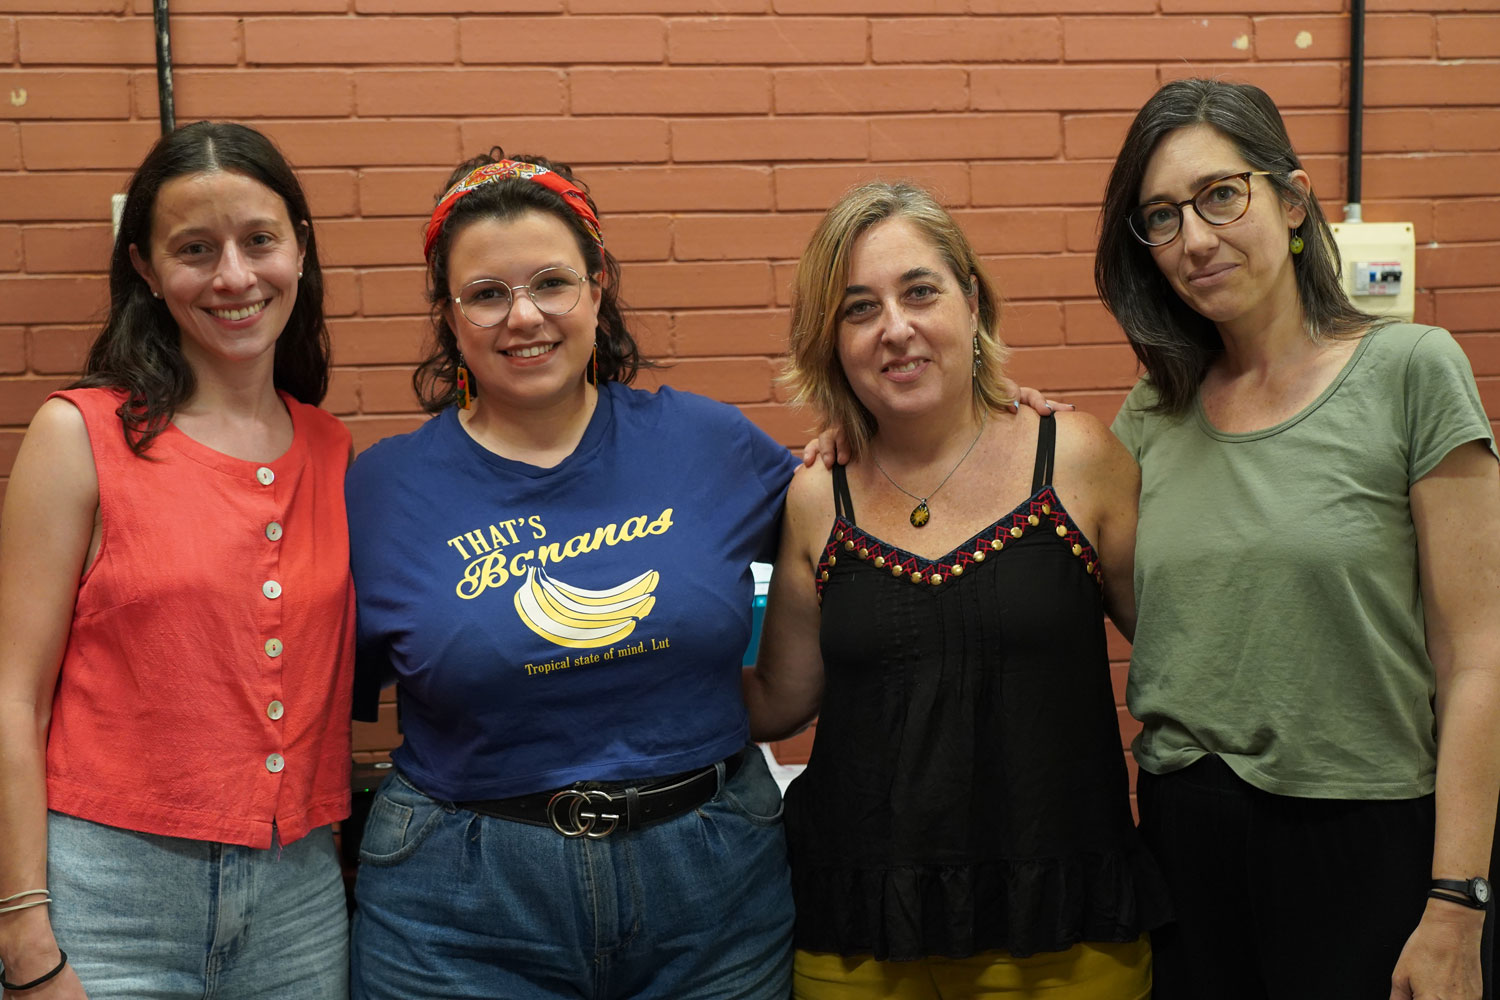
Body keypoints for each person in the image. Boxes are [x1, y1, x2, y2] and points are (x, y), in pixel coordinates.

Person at [343, 150, 802, 1000]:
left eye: (552, 283)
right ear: (450, 317)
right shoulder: (381, 491)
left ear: (597, 289)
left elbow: (856, 524)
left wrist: (986, 428)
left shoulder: (709, 444)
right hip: (459, 910)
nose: (524, 317)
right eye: (487, 294)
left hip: (714, 893)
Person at [1095, 78, 1500, 1000]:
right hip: (1186, 836)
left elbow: (1477, 656)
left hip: (1366, 836)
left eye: (1220, 194)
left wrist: (1458, 900)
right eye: (1161, 216)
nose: (1195, 238)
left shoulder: (1411, 371)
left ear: (1292, 200)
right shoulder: (1152, 413)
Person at [744, 181, 1172, 1000]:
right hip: (859, 936)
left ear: (972, 303)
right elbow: (780, 700)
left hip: (1064, 928)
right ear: (833, 340)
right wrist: (628, 668)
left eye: (920, 292)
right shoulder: (817, 494)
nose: (895, 328)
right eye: (859, 309)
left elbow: (1179, 652)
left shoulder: (1076, 457)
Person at [0, 122, 354, 999]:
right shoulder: (80, 435)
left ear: (300, 250)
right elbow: (12, 696)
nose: (234, 277)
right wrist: (22, 931)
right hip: (106, 896)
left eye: (259, 240)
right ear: (148, 271)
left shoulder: (331, 448)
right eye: (195, 249)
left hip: (298, 901)